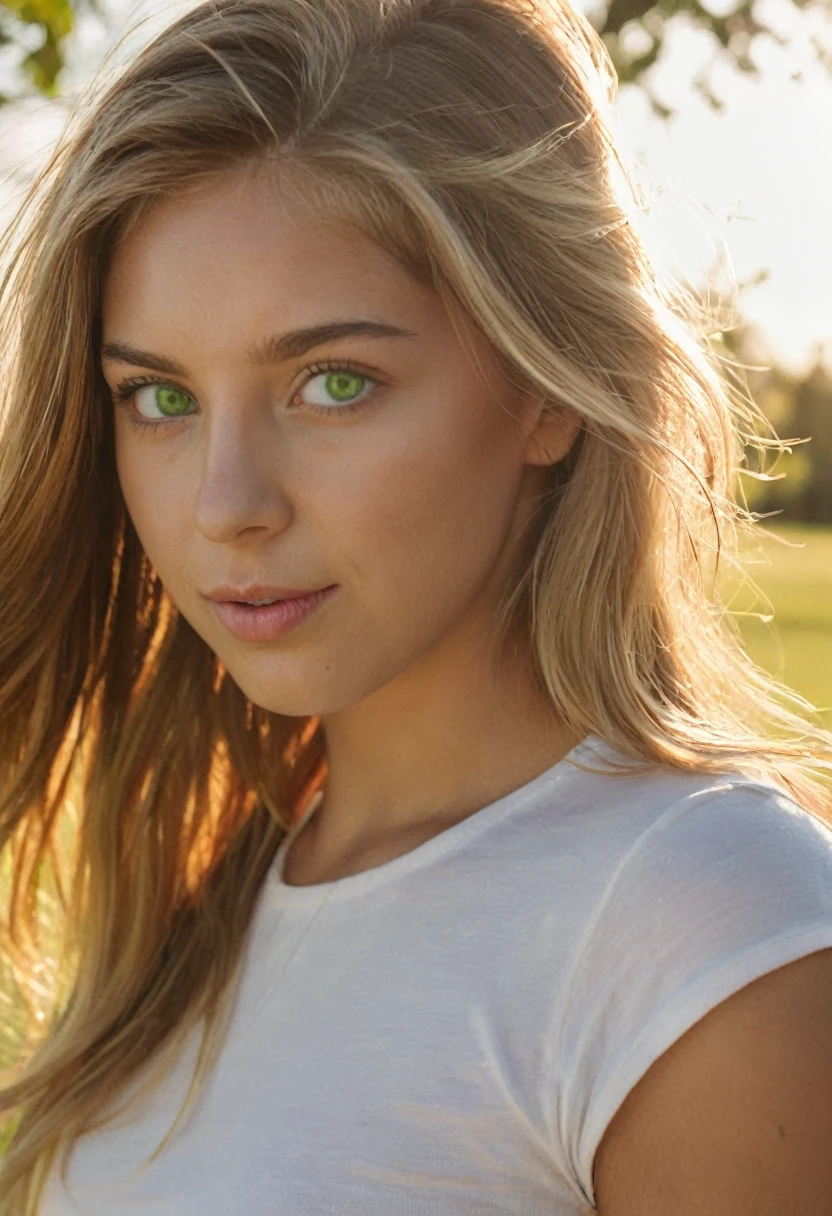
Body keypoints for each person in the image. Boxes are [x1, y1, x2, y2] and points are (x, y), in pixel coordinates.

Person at [0, 0, 831, 1210]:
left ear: (548, 390)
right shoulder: (203, 895)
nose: (226, 504)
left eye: (333, 383)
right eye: (160, 398)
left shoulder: (701, 926)